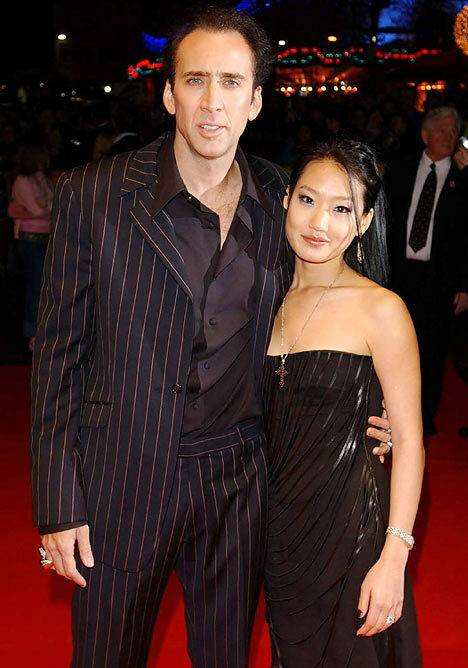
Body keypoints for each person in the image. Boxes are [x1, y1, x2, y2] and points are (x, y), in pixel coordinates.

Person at [30, 8, 391, 667]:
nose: (212, 102)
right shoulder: (94, 196)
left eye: (231, 82)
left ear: (255, 101)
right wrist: (58, 503)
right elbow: (57, 358)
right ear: (169, 93)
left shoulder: (285, 200)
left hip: (240, 484)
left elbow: (330, 303)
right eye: (196, 80)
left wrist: (371, 404)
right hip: (120, 481)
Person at [263, 137, 424, 666]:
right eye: (308, 200)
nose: (319, 222)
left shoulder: (381, 309)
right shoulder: (262, 298)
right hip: (279, 532)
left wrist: (394, 555)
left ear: (364, 222)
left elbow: (410, 441)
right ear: (286, 200)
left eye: (341, 209)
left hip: (353, 529)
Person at [386, 106, 468, 435]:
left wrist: (465, 285)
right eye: (443, 130)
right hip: (400, 273)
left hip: (440, 278)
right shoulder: (401, 169)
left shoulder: (463, 179)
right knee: (395, 345)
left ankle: (424, 418)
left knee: (432, 351)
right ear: (425, 135)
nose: (449, 136)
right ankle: (391, 410)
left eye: (454, 132)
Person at [8, 141, 52, 351]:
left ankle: (39, 329)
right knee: (36, 284)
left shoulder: (40, 178)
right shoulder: (23, 180)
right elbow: (38, 210)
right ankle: (33, 331)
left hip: (44, 236)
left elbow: (49, 204)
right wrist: (47, 207)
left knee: (43, 284)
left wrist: (45, 206)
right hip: (30, 238)